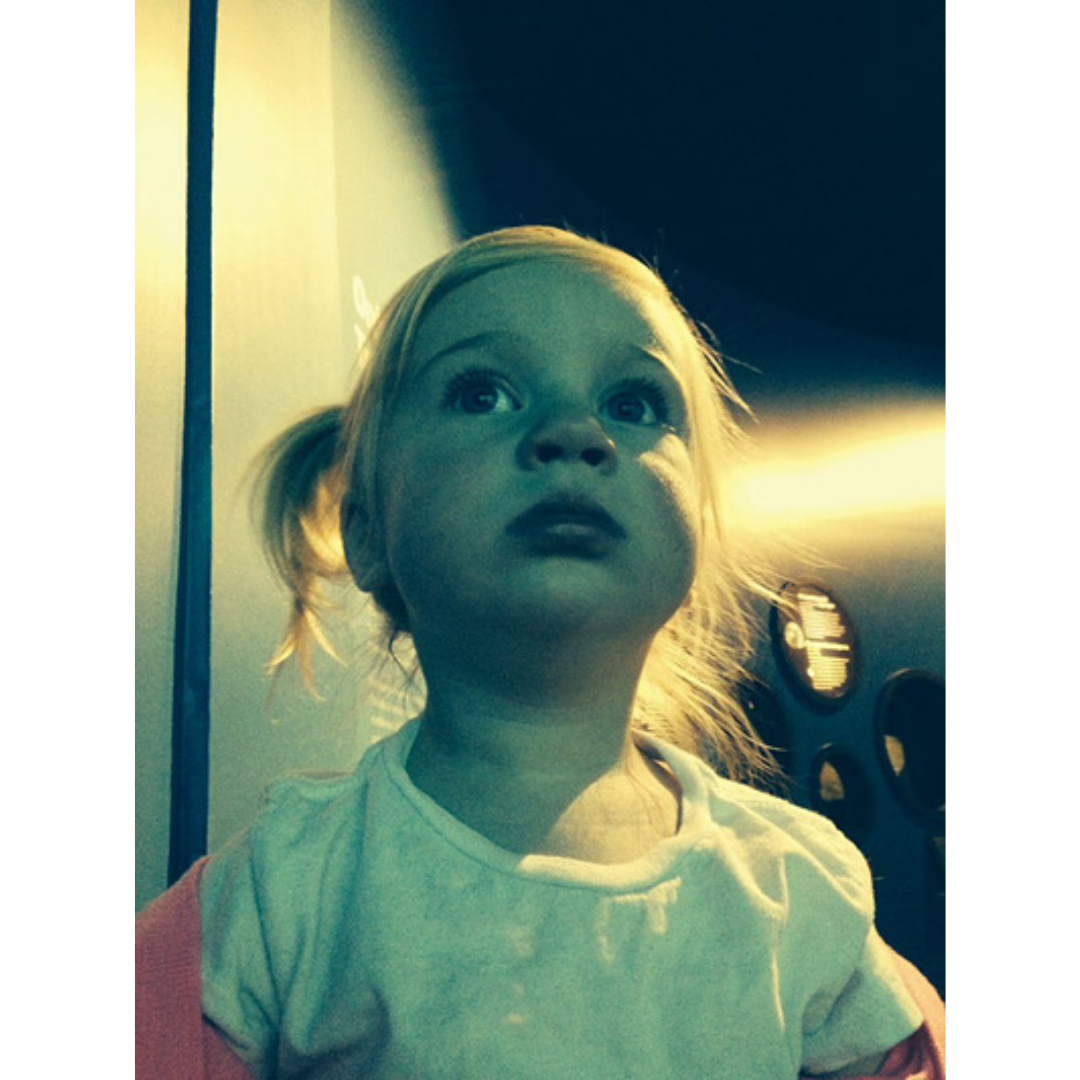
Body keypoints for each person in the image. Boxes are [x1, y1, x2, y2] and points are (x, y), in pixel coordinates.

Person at [136, 226, 944, 1078]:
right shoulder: (282, 893)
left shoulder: (799, 890)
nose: (572, 431)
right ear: (368, 532)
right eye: (482, 393)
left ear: (695, 540)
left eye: (633, 405)